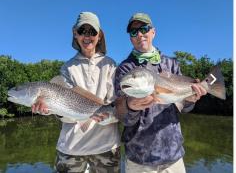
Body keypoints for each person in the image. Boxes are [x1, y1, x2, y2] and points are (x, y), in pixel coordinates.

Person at [114, 12, 207, 173]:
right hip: (139, 159)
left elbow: (183, 108)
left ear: (153, 32)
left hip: (173, 156)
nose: (140, 34)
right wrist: (131, 106)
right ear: (130, 38)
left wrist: (191, 99)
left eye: (144, 29)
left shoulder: (171, 64)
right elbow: (123, 117)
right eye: (134, 32)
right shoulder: (125, 69)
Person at [32, 12, 120, 173]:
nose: (87, 36)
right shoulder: (66, 68)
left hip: (106, 147)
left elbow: (116, 106)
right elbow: (62, 111)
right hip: (71, 148)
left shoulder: (111, 65)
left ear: (99, 36)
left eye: (92, 32)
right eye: (82, 31)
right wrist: (50, 109)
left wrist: (108, 115)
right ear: (75, 34)